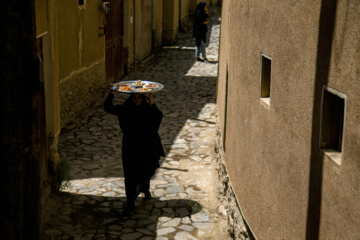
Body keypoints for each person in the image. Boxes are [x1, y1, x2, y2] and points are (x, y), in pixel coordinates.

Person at [104, 86, 165, 217]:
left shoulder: (147, 109)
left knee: (145, 169)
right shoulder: (126, 109)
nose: (137, 100)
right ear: (131, 98)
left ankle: (145, 189)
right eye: (134, 98)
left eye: (139, 98)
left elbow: (158, 117)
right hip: (130, 147)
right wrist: (111, 94)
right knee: (130, 174)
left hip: (145, 147)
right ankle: (130, 203)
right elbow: (108, 108)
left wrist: (151, 100)